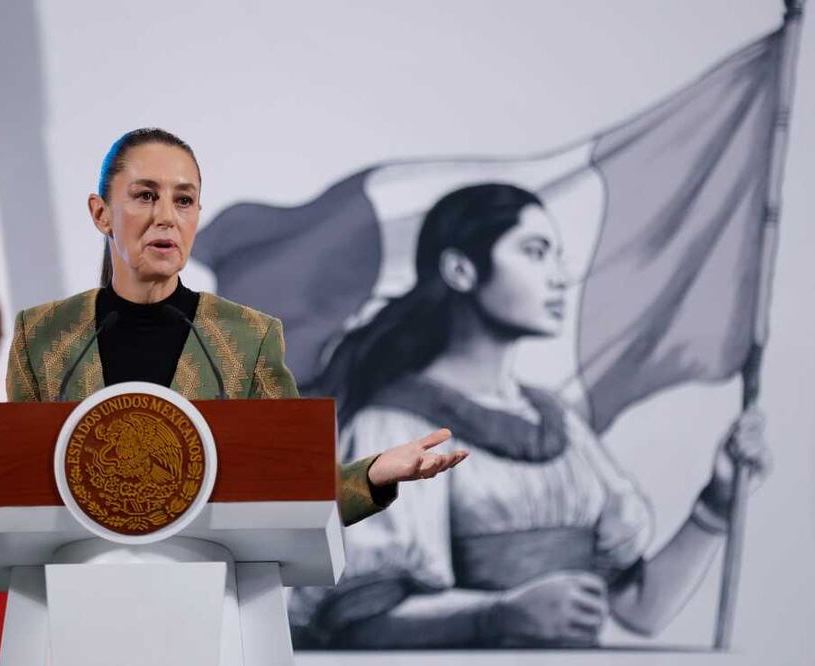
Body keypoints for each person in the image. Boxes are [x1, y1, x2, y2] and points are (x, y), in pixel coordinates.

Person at [0, 127, 468, 528]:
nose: (166, 216)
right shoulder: (44, 335)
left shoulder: (248, 337)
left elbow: (293, 490)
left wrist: (373, 475)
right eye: (145, 195)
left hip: (210, 602)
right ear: (101, 213)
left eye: (184, 200)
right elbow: (12, 487)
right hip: (78, 601)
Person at [289, 183, 770, 648]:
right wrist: (498, 615)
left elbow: (640, 609)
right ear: (461, 270)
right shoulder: (395, 427)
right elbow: (359, 620)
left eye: (557, 256)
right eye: (535, 252)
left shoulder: (561, 425)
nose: (560, 277)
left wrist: (717, 501)